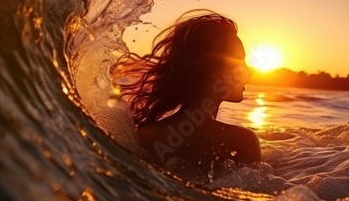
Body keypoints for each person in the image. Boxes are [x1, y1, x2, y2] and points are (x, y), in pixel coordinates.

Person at [111, 10, 261, 180]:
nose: (247, 72)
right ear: (214, 70)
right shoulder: (243, 141)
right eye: (239, 60)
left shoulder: (145, 135)